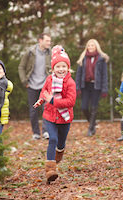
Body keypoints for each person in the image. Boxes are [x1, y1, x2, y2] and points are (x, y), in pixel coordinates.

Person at [33, 45, 76, 183]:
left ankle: (59, 151)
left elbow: (70, 101)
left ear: (68, 68)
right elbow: (44, 92)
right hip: (50, 116)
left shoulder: (70, 82)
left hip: (65, 118)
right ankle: (50, 170)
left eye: (64, 66)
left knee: (61, 143)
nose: (61, 69)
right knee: (52, 139)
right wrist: (41, 100)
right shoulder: (49, 80)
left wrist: (52, 100)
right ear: (53, 69)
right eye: (58, 67)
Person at [18, 33, 51, 140]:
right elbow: (21, 67)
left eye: (49, 41)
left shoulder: (50, 53)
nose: (49, 43)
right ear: (40, 40)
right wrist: (24, 80)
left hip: (45, 85)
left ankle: (46, 132)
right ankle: (36, 133)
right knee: (33, 110)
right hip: (31, 85)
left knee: (46, 108)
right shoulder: (30, 52)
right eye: (47, 41)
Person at [75, 39, 109, 136]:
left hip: (96, 86)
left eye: (92, 45)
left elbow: (104, 75)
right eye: (89, 45)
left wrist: (104, 89)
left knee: (94, 107)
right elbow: (79, 74)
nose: (90, 47)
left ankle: (90, 129)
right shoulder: (83, 58)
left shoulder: (101, 59)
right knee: (84, 107)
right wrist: (77, 87)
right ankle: (93, 123)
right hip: (85, 85)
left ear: (96, 47)